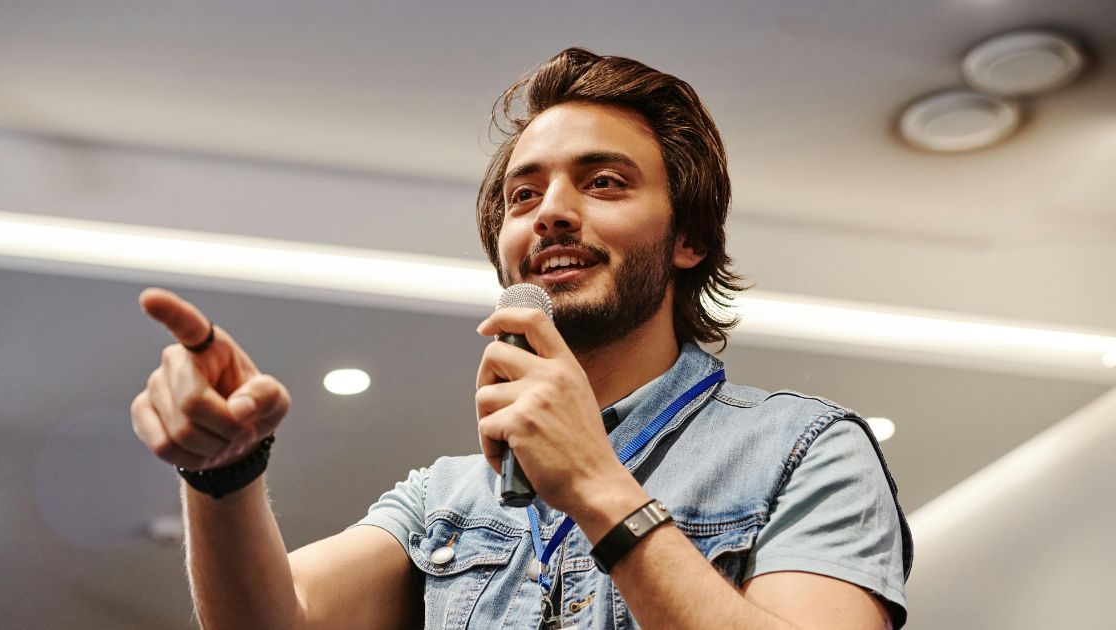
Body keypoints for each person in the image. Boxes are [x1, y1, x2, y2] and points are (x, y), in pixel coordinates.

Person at [130, 48, 912, 629]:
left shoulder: (805, 450)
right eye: (524, 194)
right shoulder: (444, 502)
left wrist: (599, 488)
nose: (552, 212)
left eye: (604, 182)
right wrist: (222, 477)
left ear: (690, 239)